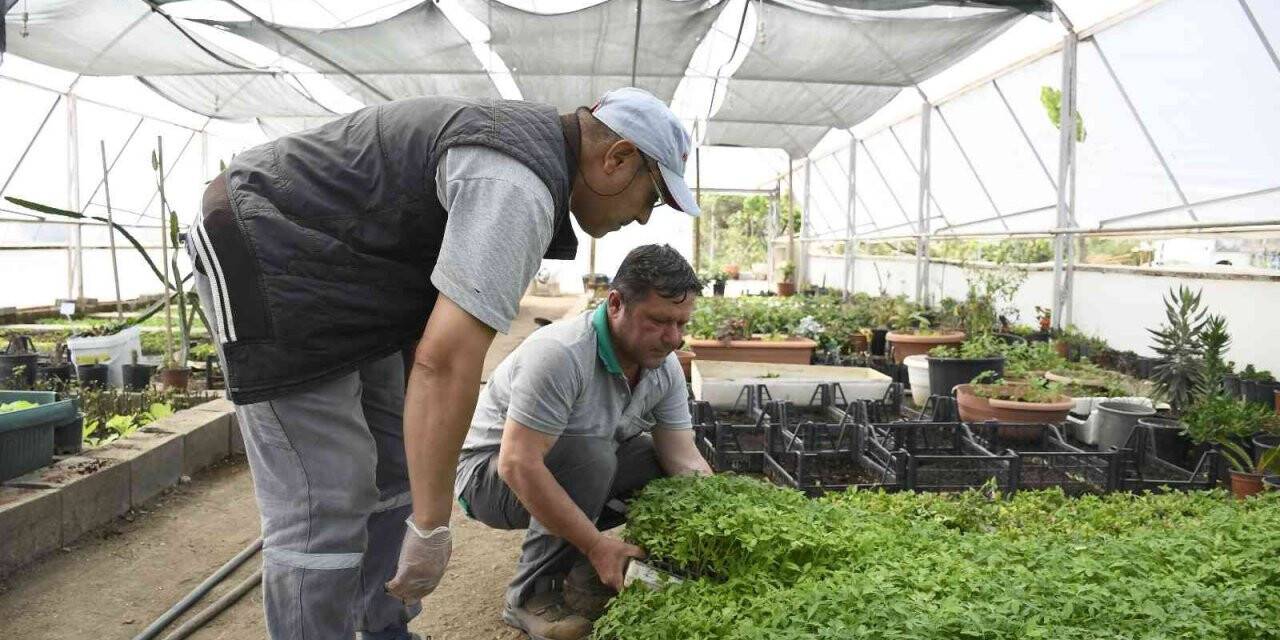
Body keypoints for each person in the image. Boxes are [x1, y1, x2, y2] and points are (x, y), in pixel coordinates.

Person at [186, 88, 700, 640]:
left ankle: (382, 629)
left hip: (357, 279)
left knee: (395, 465)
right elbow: (446, 361)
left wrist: (422, 509)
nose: (646, 216)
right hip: (269, 245)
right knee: (325, 500)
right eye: (653, 195)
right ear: (616, 159)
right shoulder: (517, 184)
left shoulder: (531, 165)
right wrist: (432, 525)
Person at [454, 244, 712, 640]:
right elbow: (517, 463)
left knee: (652, 461)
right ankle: (531, 595)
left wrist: (722, 521)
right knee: (591, 456)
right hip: (488, 478)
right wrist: (597, 544)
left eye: (682, 323)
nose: (673, 337)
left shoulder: (662, 367)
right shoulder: (561, 354)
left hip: (569, 465)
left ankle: (584, 567)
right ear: (615, 304)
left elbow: (682, 457)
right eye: (659, 321)